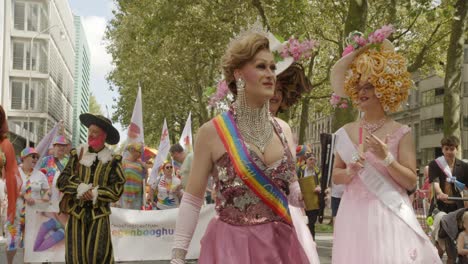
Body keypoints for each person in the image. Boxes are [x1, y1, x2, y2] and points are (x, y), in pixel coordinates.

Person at [170, 27, 319, 264]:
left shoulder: (284, 129)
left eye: (272, 67)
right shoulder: (211, 132)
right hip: (232, 248)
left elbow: (290, 190)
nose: (270, 73)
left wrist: (305, 196)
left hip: (281, 246)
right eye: (261, 66)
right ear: (238, 75)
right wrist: (177, 257)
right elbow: (192, 199)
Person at [330, 27, 441, 263]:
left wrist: (387, 158)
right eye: (358, 86)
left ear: (384, 86)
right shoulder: (346, 131)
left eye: (368, 86)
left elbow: (411, 181)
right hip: (352, 215)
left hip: (388, 215)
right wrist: (348, 172)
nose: (361, 91)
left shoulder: (401, 131)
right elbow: (334, 176)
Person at [56, 113, 125, 263]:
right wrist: (79, 188)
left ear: (104, 136)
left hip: (99, 216)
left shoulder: (113, 160)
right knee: (75, 257)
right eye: (89, 131)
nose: (91, 135)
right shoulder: (77, 154)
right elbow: (62, 180)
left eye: (95, 132)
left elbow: (117, 188)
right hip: (76, 214)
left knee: (99, 256)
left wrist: (95, 193)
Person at [6, 147, 49, 264]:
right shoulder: (14, 172)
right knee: (12, 244)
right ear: (24, 158)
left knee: (29, 245)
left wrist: (46, 195)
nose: (35, 159)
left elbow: (46, 190)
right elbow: (7, 189)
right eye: (33, 156)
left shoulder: (40, 175)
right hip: (15, 214)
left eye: (37, 157)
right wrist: (23, 195)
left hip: (32, 216)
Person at [428, 136, 468, 214]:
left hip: (458, 205)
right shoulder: (435, 164)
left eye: (452, 149)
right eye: (446, 149)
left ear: (457, 149)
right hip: (439, 205)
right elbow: (435, 183)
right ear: (442, 149)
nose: (449, 152)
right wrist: (440, 193)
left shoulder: (464, 167)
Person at [297, 153, 322, 239]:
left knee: (311, 223)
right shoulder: (300, 170)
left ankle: (312, 242)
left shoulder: (317, 171)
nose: (313, 161)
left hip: (314, 201)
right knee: (303, 223)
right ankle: (304, 242)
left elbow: (322, 183)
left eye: (314, 160)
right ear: (306, 161)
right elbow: (295, 183)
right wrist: (299, 192)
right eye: (310, 159)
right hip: (302, 201)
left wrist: (319, 188)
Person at [38, 135, 70, 203]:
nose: (61, 148)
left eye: (63, 146)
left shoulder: (69, 162)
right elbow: (38, 177)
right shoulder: (45, 160)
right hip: (47, 197)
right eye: (59, 145)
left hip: (62, 198)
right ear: (54, 147)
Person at [120, 142, 146, 209]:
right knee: (126, 216)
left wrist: (144, 167)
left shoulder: (140, 164)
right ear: (133, 151)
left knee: (135, 216)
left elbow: (144, 178)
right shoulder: (123, 162)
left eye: (141, 152)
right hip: (126, 194)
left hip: (137, 195)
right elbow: (119, 178)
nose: (140, 154)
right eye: (139, 152)